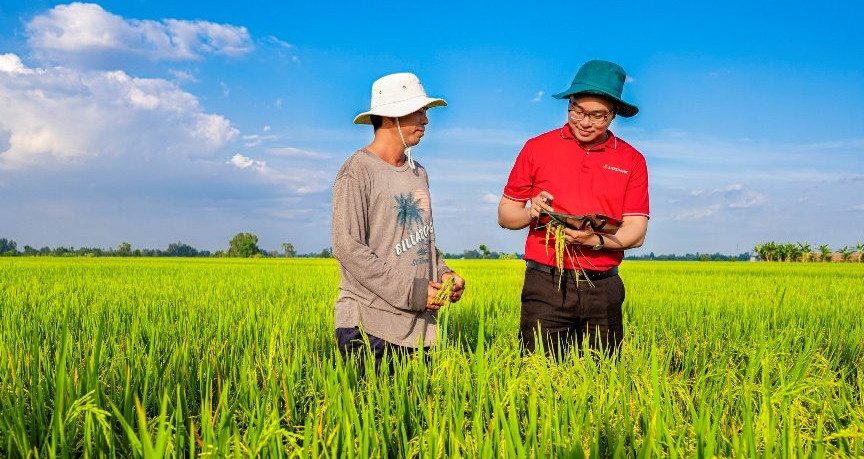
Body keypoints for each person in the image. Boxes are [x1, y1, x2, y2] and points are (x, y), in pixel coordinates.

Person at [497, 60, 649, 359]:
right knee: (538, 373)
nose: (585, 122)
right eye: (577, 111)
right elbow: (505, 215)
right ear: (569, 103)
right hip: (546, 283)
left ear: (614, 114)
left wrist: (595, 241)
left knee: (603, 377)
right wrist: (531, 212)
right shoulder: (537, 147)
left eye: (598, 116)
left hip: (602, 285)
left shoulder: (631, 159)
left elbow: (637, 230)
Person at [332, 72, 465, 374]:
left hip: (417, 328)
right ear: (392, 116)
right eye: (419, 112)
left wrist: (444, 274)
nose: (426, 120)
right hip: (370, 327)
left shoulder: (419, 172)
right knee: (374, 418)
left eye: (425, 112)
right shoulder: (358, 171)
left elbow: (422, 240)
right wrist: (413, 292)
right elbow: (347, 247)